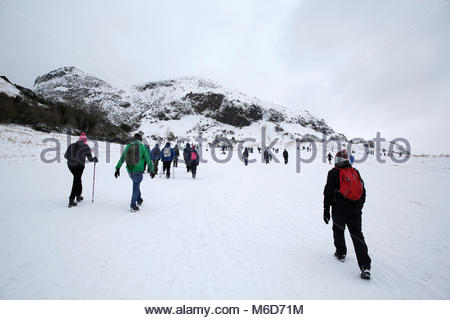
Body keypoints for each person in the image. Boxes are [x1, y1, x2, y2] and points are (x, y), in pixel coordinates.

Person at [323, 150, 371, 280]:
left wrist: (326, 209)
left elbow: (327, 192)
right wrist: (360, 205)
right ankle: (365, 266)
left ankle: (341, 252)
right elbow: (363, 190)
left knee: (338, 230)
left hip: (339, 209)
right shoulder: (355, 172)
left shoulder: (333, 173)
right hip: (355, 210)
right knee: (357, 236)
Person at [115, 133, 154, 212]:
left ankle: (139, 199)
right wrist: (152, 170)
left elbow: (122, 158)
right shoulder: (142, 147)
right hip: (138, 171)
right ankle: (133, 205)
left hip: (130, 170)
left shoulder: (129, 146)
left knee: (136, 184)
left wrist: (117, 168)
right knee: (136, 186)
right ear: (140, 139)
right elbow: (148, 159)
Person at [64, 133, 98, 207]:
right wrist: (94, 159)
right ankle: (71, 199)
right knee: (76, 180)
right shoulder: (86, 147)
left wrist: (72, 159)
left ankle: (78, 195)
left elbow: (65, 156)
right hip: (79, 166)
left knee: (77, 179)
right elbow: (90, 159)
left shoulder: (71, 145)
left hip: (70, 165)